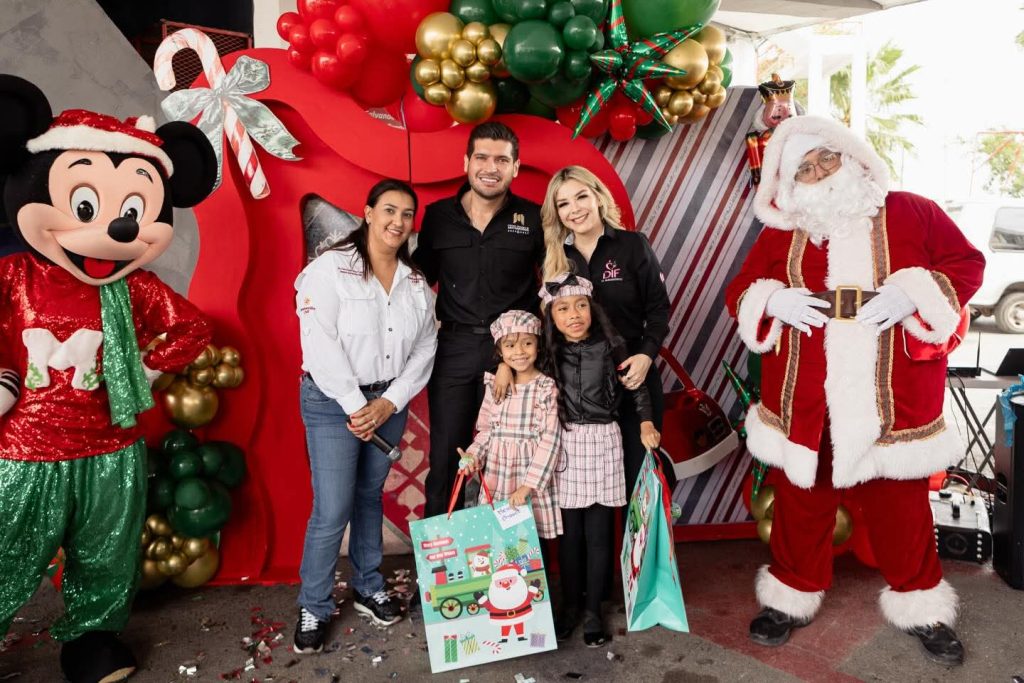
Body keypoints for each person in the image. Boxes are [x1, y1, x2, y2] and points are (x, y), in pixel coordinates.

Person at [725, 115, 985, 665]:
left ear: (853, 157)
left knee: (902, 505)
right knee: (802, 499)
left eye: (827, 158)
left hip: (888, 393)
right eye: (806, 168)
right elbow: (740, 291)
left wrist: (914, 294)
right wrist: (772, 300)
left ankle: (923, 606)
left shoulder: (912, 210)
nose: (820, 172)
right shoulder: (782, 230)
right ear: (790, 183)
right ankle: (791, 596)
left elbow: (967, 264)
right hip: (807, 393)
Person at [292, 179, 437, 654]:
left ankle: (368, 586)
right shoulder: (330, 269)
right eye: (389, 210)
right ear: (368, 212)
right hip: (334, 404)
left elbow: (425, 348)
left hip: (387, 403)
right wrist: (358, 408)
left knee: (369, 496)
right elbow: (319, 341)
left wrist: (388, 404)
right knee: (332, 509)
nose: (398, 222)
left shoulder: (417, 284)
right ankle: (313, 604)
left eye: (407, 214)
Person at [413, 122, 544, 517]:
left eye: (502, 160)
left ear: (516, 167)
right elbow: (416, 284)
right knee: (447, 462)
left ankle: (508, 569)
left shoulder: (534, 218)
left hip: (515, 356)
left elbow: (551, 292)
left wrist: (512, 359)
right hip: (453, 350)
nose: (492, 167)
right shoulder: (438, 217)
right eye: (483, 157)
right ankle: (438, 573)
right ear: (466, 162)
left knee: (510, 463)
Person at [540, 273, 661, 647]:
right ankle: (570, 606)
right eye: (563, 308)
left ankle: (594, 609)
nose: (573, 315)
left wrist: (645, 422)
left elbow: (635, 386)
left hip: (604, 440)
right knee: (570, 535)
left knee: (597, 533)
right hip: (564, 444)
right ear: (551, 317)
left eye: (580, 306)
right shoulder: (547, 354)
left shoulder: (611, 346)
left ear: (592, 309)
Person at [541, 165, 674, 496]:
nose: (575, 209)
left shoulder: (632, 245)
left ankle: (645, 549)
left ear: (598, 197)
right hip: (577, 385)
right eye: (564, 203)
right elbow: (547, 328)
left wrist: (645, 356)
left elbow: (659, 310)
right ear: (557, 213)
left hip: (632, 374)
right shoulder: (557, 260)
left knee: (639, 478)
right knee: (587, 490)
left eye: (582, 196)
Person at [458, 310, 561, 540]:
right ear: (500, 351)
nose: (519, 352)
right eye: (510, 346)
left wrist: (528, 486)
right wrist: (473, 457)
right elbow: (487, 431)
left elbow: (550, 440)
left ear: (538, 346)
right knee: (499, 540)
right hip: (498, 473)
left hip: (528, 476)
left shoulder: (546, 388)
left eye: (527, 343)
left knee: (530, 542)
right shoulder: (496, 386)